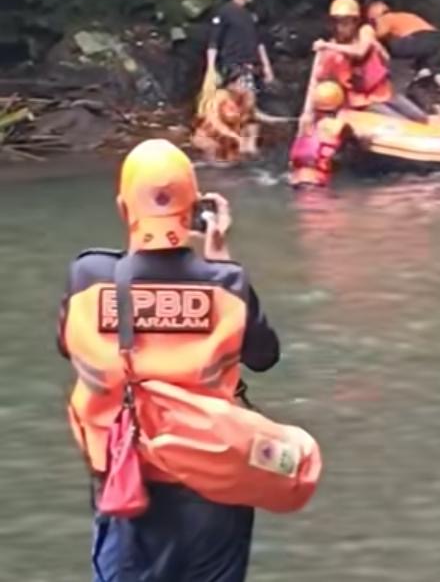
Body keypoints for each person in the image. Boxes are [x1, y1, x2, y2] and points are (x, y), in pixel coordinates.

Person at [57, 139, 280, 582]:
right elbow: (264, 356)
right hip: (214, 485)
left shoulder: (87, 278)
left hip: (125, 483)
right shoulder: (227, 284)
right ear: (194, 209)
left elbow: (68, 346)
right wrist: (220, 258)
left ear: (125, 209)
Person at [301, 0, 429, 127]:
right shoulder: (330, 54)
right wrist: (307, 113)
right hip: (363, 101)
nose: (341, 28)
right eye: (338, 23)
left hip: (384, 92)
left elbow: (361, 52)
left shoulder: (365, 32)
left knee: (421, 118)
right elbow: (316, 81)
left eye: (346, 22)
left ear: (355, 22)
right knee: (402, 124)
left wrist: (328, 45)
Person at [203, 0, 275, 100]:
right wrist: (211, 69)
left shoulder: (251, 15)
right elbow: (213, 42)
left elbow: (259, 42)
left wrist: (266, 67)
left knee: (251, 102)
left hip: (252, 66)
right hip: (234, 66)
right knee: (238, 102)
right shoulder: (225, 12)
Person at [367, 0, 440, 84]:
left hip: (415, 41)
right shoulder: (405, 15)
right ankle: (430, 71)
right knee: (428, 54)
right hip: (435, 40)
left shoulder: (386, 18)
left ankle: (379, 69)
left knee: (381, 43)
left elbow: (378, 35)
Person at [191, 65, 258, 164]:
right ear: (231, 83)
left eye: (249, 82)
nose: (247, 86)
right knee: (212, 154)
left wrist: (252, 140)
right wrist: (235, 137)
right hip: (209, 137)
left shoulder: (248, 97)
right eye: (243, 82)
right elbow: (214, 121)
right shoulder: (219, 97)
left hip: (234, 140)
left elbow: (251, 121)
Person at [289, 80, 348, 188]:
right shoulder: (338, 126)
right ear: (339, 104)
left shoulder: (304, 123)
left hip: (296, 180)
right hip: (316, 182)